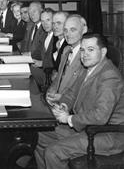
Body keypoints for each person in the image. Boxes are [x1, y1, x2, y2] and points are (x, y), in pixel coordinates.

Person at [35, 33, 124, 169]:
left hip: (106, 134)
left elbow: (100, 116)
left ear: (103, 51)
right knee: (37, 136)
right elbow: (71, 94)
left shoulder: (109, 77)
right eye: (82, 50)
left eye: (90, 50)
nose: (84, 54)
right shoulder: (87, 68)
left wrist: (69, 118)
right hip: (86, 127)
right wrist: (64, 105)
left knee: (53, 152)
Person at [46, 14, 88, 99]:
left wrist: (60, 98)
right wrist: (50, 93)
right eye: (65, 30)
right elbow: (58, 79)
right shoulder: (66, 50)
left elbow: (81, 90)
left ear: (84, 30)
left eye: (73, 30)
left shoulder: (87, 55)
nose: (68, 34)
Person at [30, 8, 56, 88]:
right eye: (42, 21)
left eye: (48, 20)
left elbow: (58, 62)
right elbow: (37, 53)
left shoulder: (57, 37)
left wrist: (42, 63)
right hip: (44, 74)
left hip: (52, 77)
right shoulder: (44, 35)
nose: (45, 24)